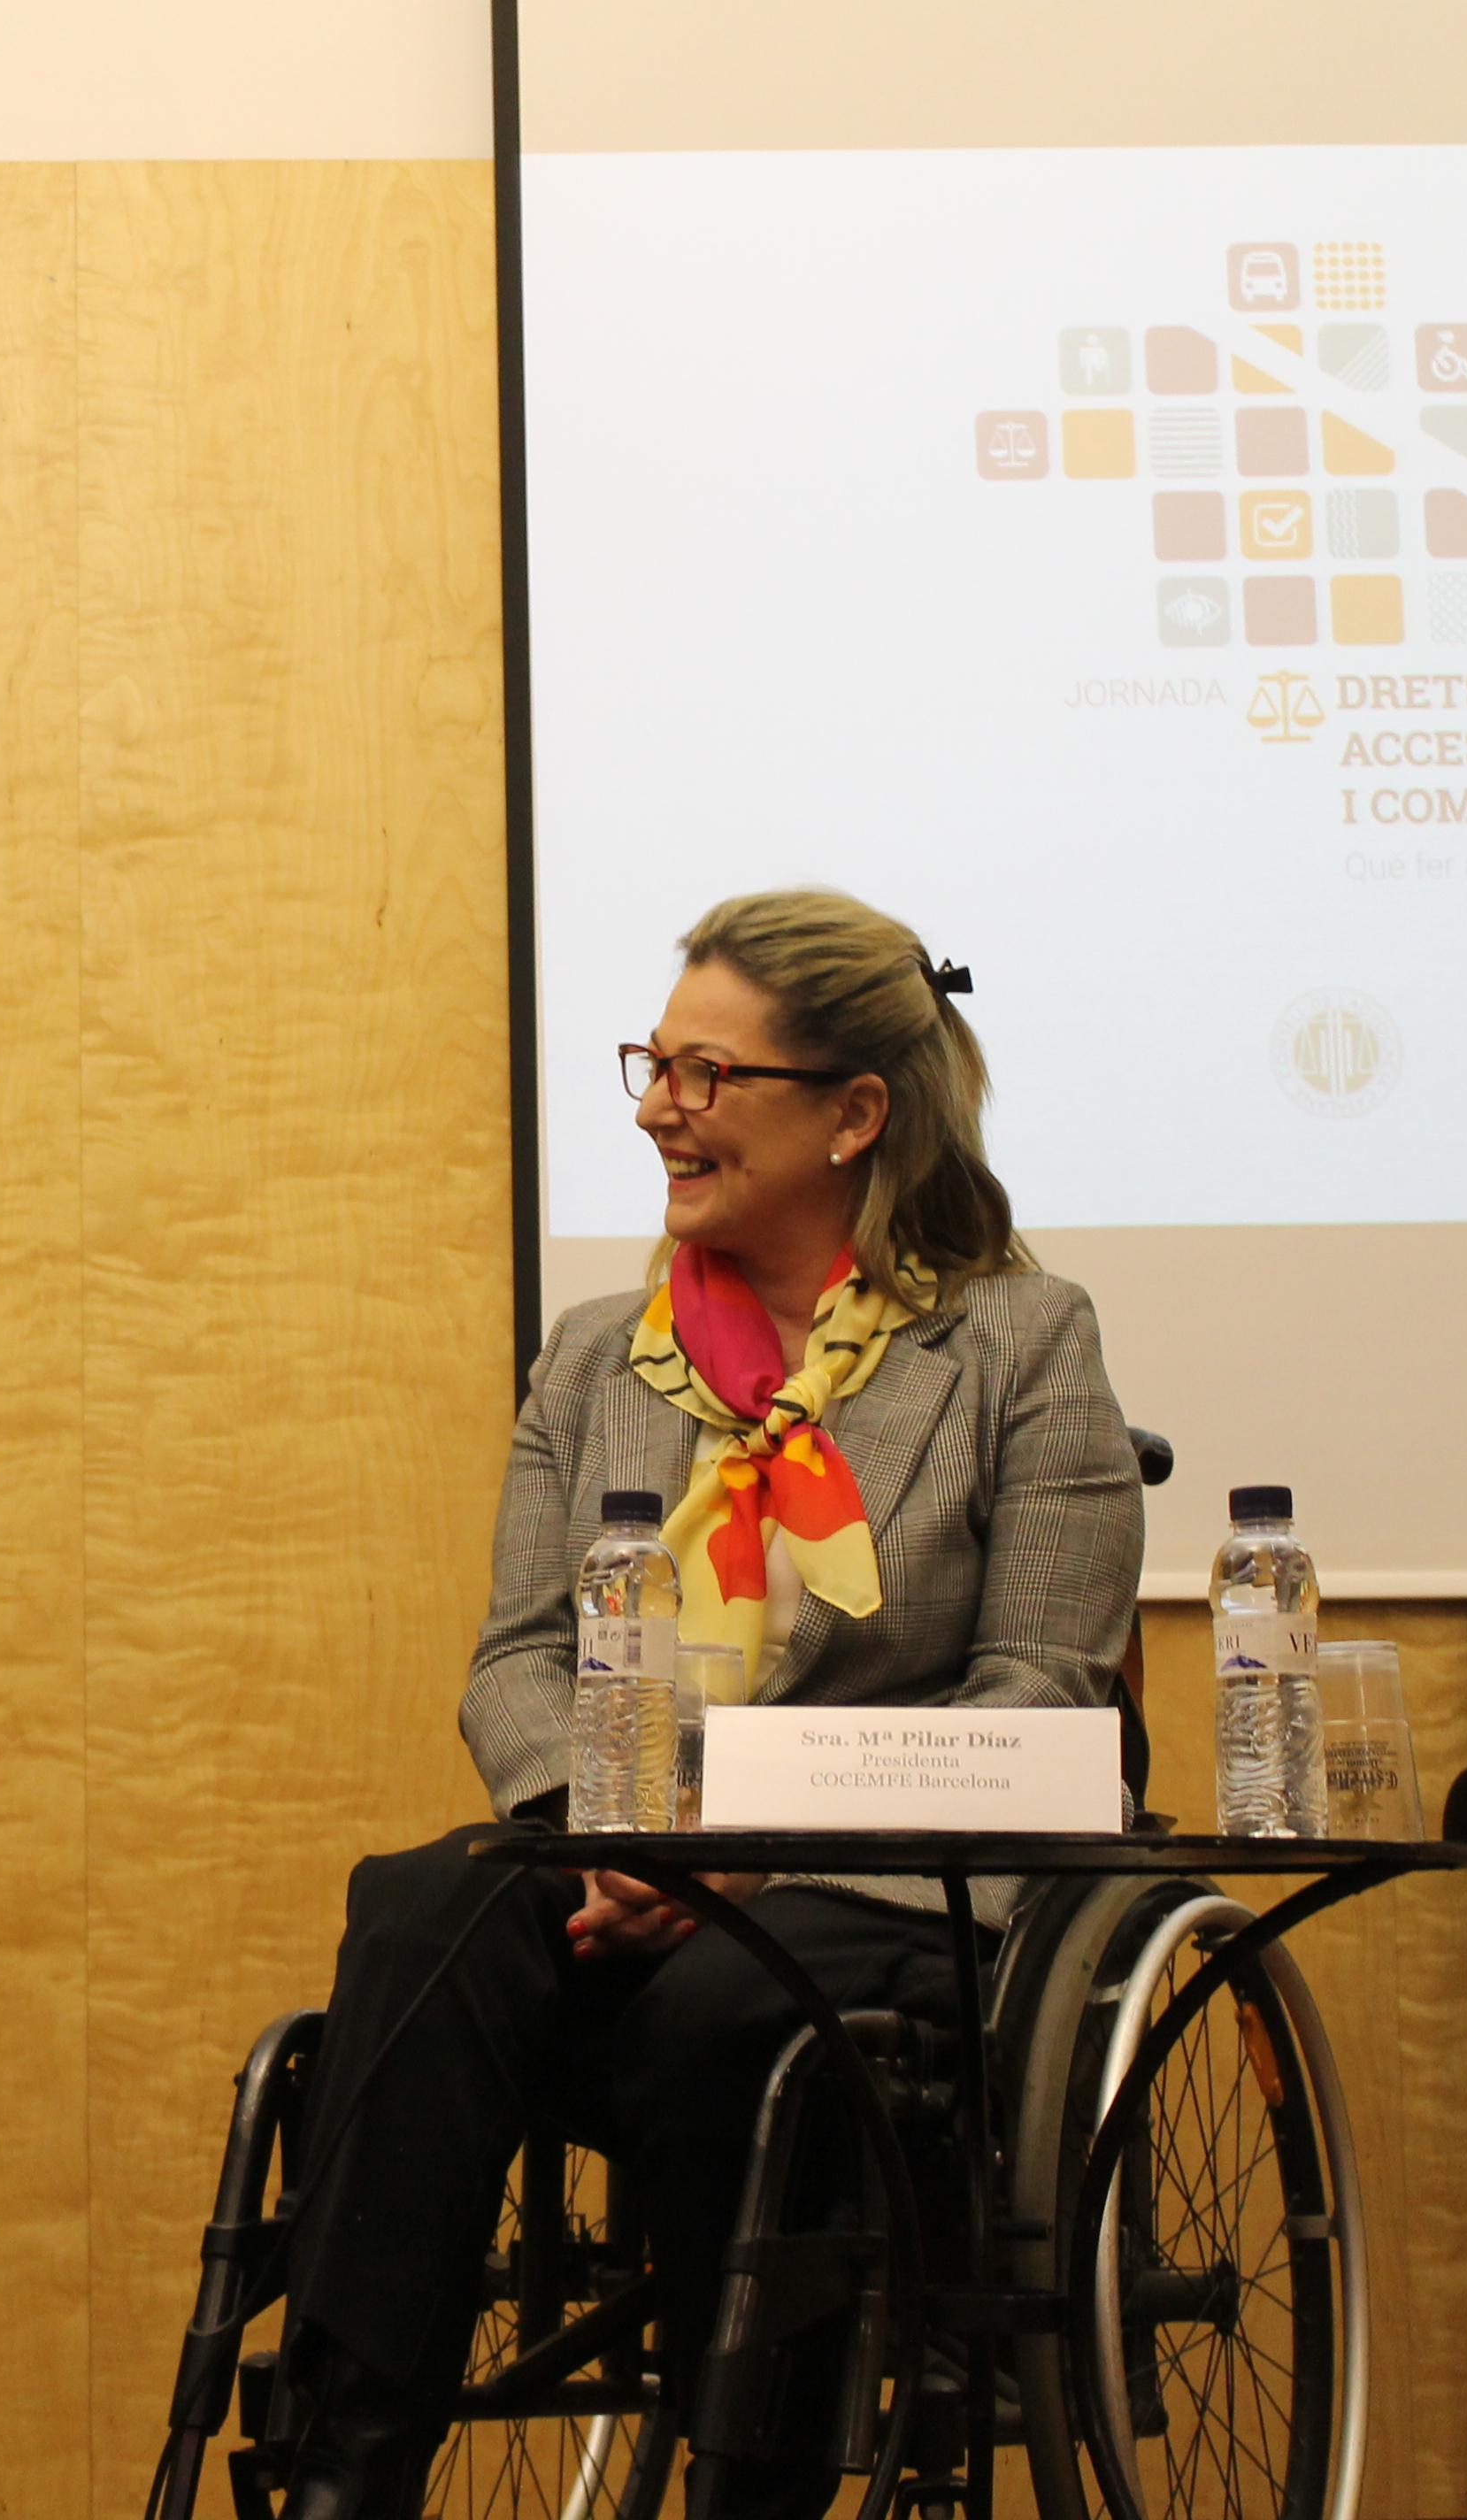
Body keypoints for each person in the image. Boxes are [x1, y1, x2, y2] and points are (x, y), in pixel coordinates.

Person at [271, 888, 1141, 2520]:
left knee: (730, 2006)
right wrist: (599, 1829)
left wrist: (753, 1843)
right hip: (624, 1852)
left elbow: (1036, 1696)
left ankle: (756, 2480)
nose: (663, 1108)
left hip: (877, 1883)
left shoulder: (1022, 1345)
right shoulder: (600, 1357)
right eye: (652, 1067)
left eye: (708, 1074)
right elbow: (521, 1658)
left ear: (854, 1115)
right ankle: (348, 2472)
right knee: (415, 1910)